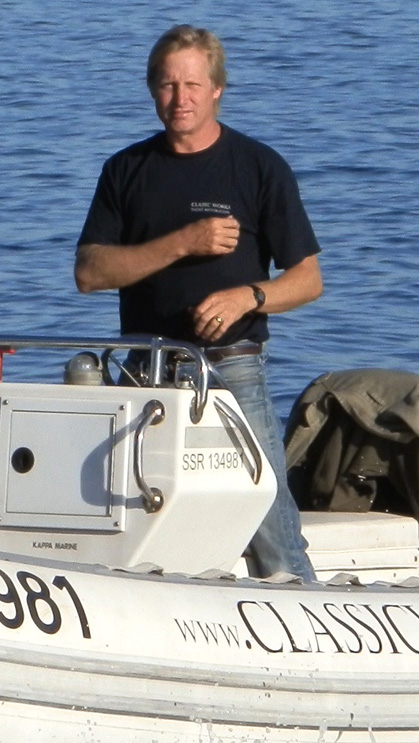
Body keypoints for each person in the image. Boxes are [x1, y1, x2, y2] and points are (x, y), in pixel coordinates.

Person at [74, 24, 322, 581]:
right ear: (151, 91)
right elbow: (90, 273)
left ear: (217, 89)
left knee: (268, 515)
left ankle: (303, 600)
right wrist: (184, 242)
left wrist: (249, 296)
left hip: (231, 367)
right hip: (144, 369)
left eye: (191, 84)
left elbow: (307, 280)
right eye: (166, 85)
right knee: (127, 509)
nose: (179, 98)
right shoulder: (125, 170)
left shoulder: (259, 168)